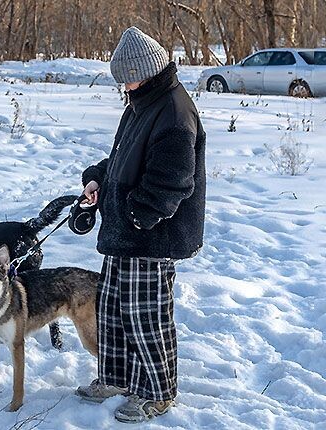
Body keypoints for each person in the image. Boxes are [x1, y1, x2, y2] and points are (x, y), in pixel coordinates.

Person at [74, 27, 206, 423]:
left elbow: (174, 181)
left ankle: (158, 392)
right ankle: (115, 378)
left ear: (146, 71)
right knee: (113, 308)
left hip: (151, 236)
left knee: (147, 316)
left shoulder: (174, 112)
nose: (122, 87)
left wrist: (138, 214)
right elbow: (122, 157)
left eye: (126, 78)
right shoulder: (142, 101)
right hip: (124, 233)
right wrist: (98, 178)